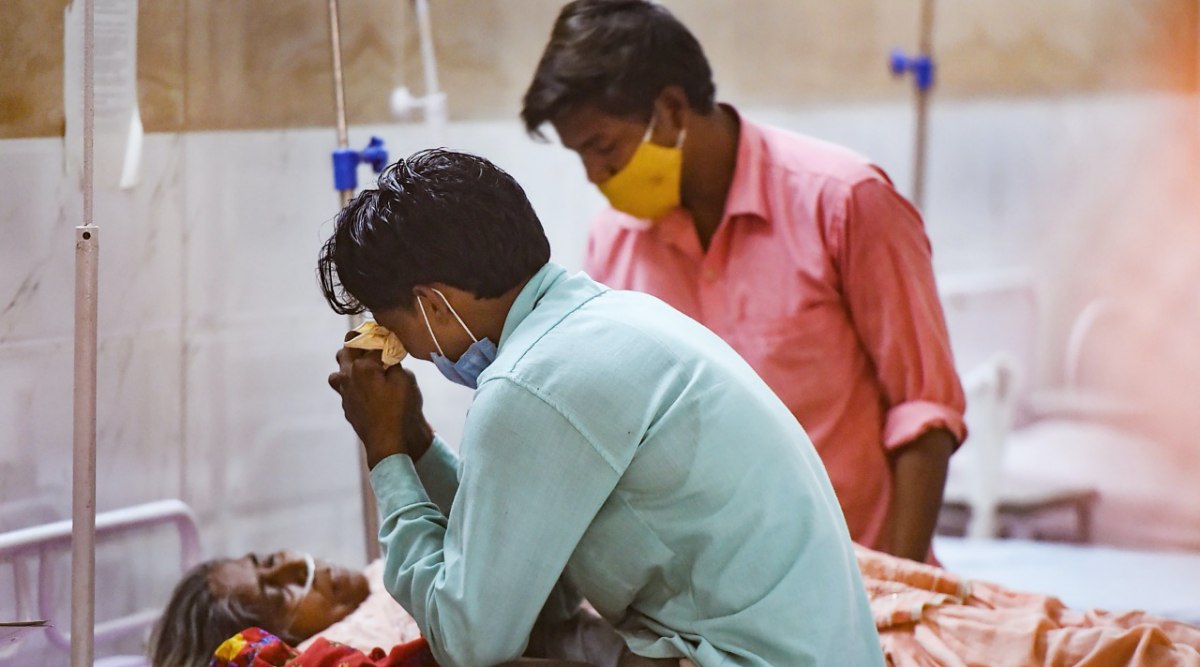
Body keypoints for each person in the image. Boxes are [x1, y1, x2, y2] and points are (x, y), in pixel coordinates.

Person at [316, 148, 883, 667]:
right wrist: (414, 438)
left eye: (396, 326)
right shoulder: (607, 317)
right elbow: (519, 571)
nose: (413, 352)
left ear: (432, 305)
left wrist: (386, 453)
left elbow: (468, 640)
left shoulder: (528, 383)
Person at [521, 0, 966, 562]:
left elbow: (923, 411)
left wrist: (895, 594)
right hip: (711, 596)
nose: (593, 176)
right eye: (578, 156)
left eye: (602, 148)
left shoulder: (844, 202)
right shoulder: (618, 242)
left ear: (671, 109)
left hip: (855, 575)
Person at [152, 548, 1200, 667]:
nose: (296, 566)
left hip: (730, 593)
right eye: (273, 591)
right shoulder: (367, 636)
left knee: (998, 612)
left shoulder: (401, 560)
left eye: (267, 554)